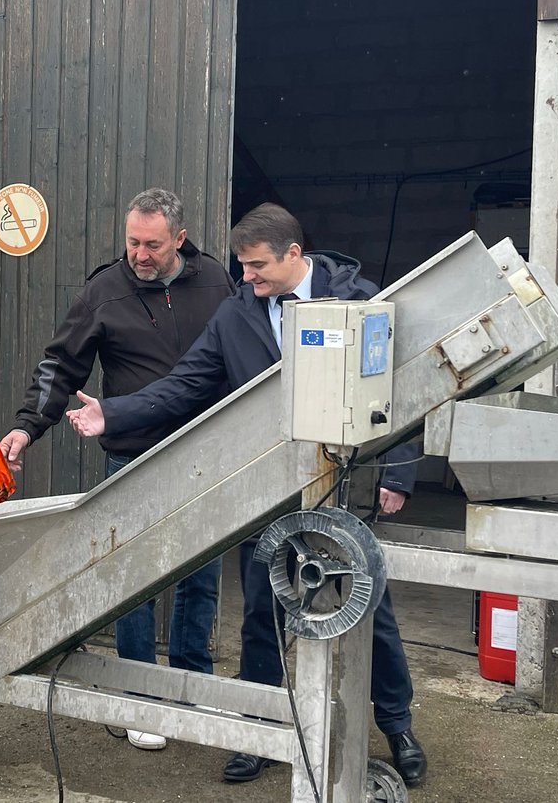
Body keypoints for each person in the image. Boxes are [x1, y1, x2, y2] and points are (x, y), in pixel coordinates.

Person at [66, 203, 428, 787]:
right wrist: (112, 412)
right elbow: (186, 384)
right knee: (262, 606)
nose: (247, 279)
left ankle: (397, 724)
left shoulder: (358, 299)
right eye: (241, 267)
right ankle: (259, 731)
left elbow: (400, 384)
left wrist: (399, 474)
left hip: (336, 485)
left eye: (258, 266)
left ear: (294, 255)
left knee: (366, 610)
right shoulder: (238, 316)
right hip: (267, 486)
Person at [0, 188, 236, 751]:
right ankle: (139, 697)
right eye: (132, 241)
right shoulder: (104, 290)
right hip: (133, 453)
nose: (140, 253)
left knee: (199, 576)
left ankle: (189, 682)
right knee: (133, 581)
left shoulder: (216, 282)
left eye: (152, 244)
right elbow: (62, 363)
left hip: (206, 453)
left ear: (179, 239)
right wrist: (28, 425)